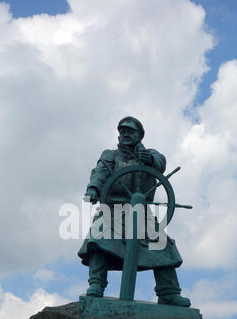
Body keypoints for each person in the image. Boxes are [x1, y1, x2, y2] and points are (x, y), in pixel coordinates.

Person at [78, 116, 191, 307]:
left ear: (139, 135)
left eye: (130, 131)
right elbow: (100, 173)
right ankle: (96, 285)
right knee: (97, 239)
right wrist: (93, 189)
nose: (125, 134)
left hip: (141, 212)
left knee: (162, 246)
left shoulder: (150, 155)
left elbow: (160, 163)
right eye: (123, 131)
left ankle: (169, 292)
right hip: (113, 209)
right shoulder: (110, 155)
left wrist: (150, 160)